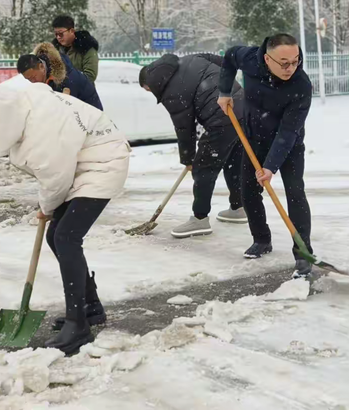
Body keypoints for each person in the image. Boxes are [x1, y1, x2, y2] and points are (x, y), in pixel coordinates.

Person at [0, 79, 130, 354]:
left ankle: (78, 324)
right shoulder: (24, 105)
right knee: (55, 235)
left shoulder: (41, 131)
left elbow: (55, 178)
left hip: (103, 163)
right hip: (81, 160)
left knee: (66, 236)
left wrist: (46, 207)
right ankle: (91, 307)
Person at [217, 34, 313, 278]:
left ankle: (303, 254)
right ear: (266, 58)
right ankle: (261, 240)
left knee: (295, 194)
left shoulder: (301, 85)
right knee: (247, 191)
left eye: (295, 61)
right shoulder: (249, 59)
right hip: (253, 138)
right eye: (283, 62)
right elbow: (228, 57)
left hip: (288, 144)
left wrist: (270, 167)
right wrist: (224, 91)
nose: (290, 68)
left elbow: (289, 130)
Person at [139, 53, 246, 238]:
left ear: (150, 83)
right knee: (232, 162)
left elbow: (184, 127)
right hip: (242, 106)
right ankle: (238, 207)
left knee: (203, 168)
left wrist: (188, 159)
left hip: (221, 117)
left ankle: (199, 219)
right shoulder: (189, 59)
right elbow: (222, 62)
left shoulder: (169, 91)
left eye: (147, 90)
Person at [17, 42, 103, 110]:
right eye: (28, 79)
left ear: (41, 66)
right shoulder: (45, 78)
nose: (33, 81)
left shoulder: (66, 79)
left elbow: (66, 112)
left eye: (34, 77)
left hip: (91, 118)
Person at [52, 15, 99, 83]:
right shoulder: (55, 50)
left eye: (61, 34)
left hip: (83, 92)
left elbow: (90, 76)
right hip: (59, 92)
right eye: (56, 34)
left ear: (71, 31)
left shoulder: (87, 48)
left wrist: (64, 81)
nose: (58, 37)